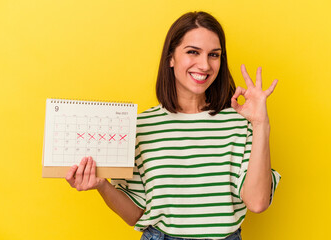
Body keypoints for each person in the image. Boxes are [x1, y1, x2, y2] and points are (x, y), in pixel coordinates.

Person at [65, 11, 281, 240]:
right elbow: (136, 216)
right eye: (193, 52)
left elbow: (257, 202)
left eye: (214, 55)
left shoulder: (238, 124)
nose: (205, 64)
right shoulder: (141, 127)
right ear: (171, 57)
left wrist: (260, 124)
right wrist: (101, 185)